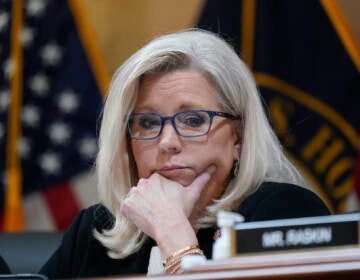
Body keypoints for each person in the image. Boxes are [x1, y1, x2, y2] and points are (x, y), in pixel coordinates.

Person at [39, 29, 330, 278]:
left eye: (193, 120)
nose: (167, 142)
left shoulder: (284, 214)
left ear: (239, 136)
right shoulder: (95, 231)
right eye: (148, 122)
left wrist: (174, 235)